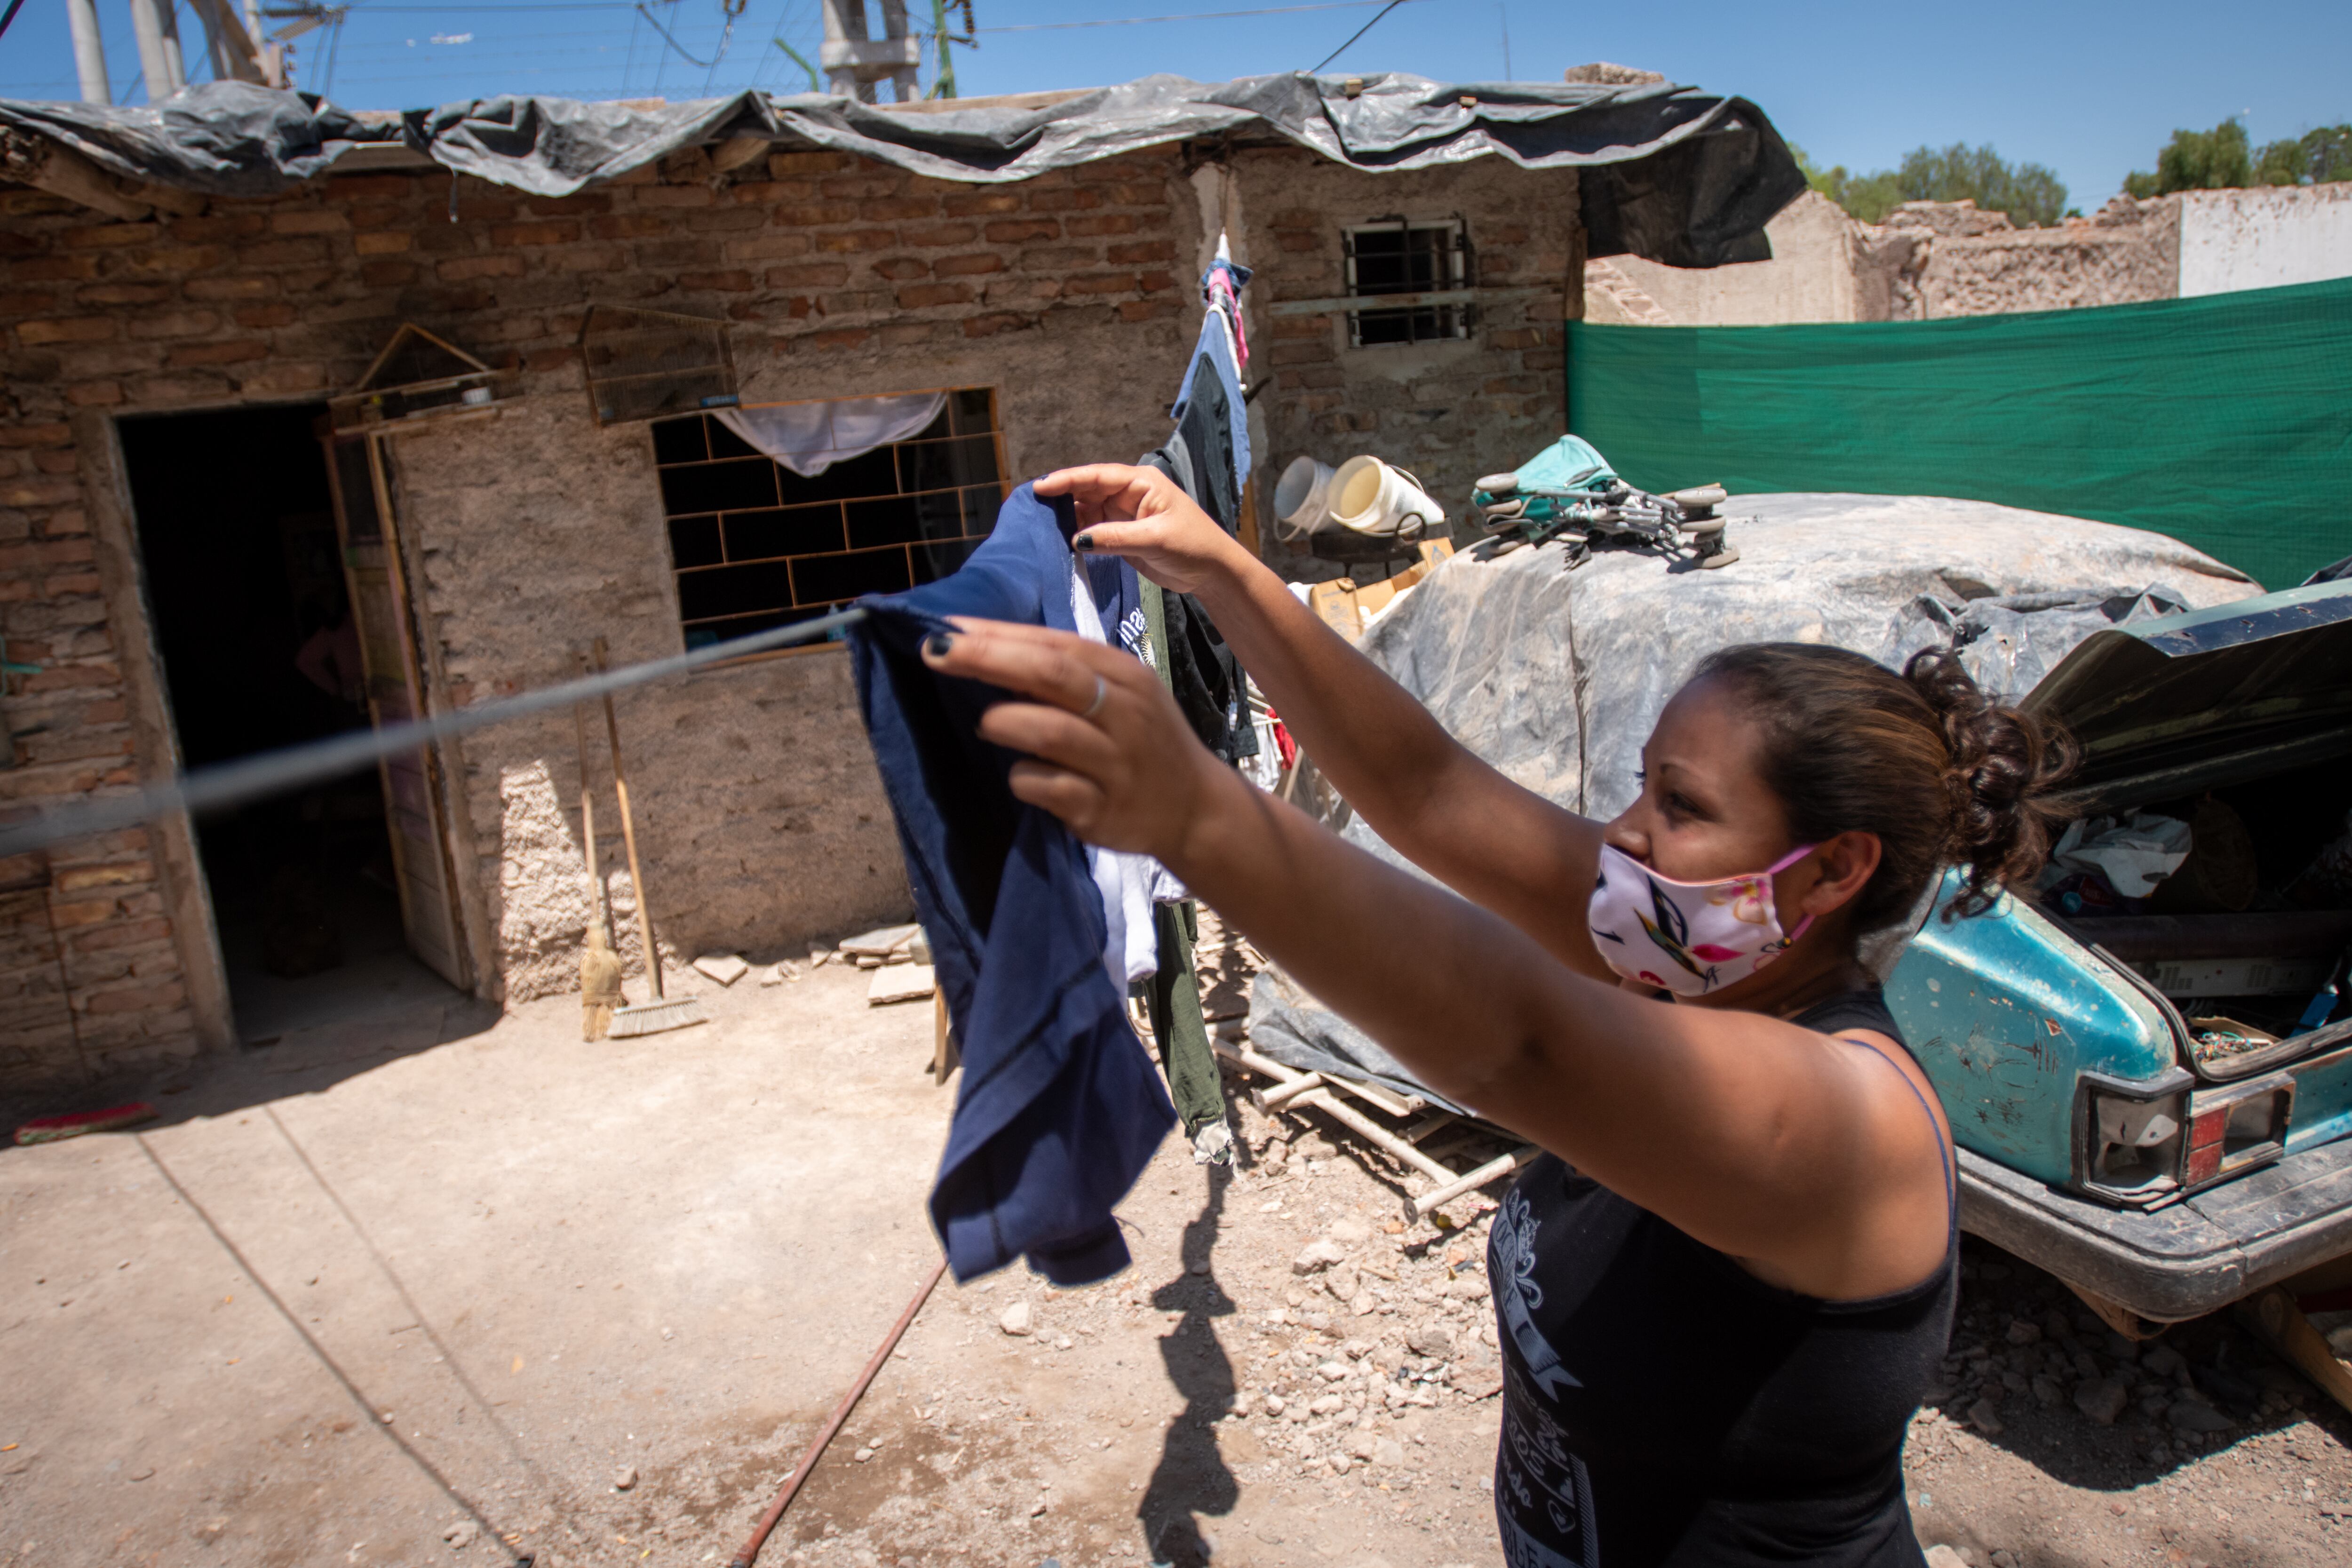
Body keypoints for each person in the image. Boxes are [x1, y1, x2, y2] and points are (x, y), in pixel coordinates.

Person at [920, 463, 2076, 1568]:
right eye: (1641, 782)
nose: (1623, 832)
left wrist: (1194, 812)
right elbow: (1432, 793)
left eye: (1681, 805)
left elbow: (1512, 1042)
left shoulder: (1847, 1119)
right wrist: (1221, 572)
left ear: (1829, 876)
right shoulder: (1684, 957)